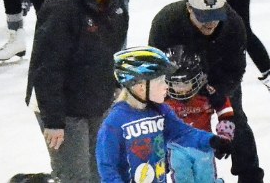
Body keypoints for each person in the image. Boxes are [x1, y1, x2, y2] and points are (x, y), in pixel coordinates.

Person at [26, 0, 137, 183]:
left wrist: (115, 88)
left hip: (95, 98)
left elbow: (112, 51)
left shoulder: (113, 1)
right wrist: (53, 121)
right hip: (62, 107)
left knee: (101, 171)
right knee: (76, 177)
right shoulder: (63, 5)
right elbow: (47, 68)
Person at [150, 0, 268, 182]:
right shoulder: (166, 21)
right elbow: (156, 65)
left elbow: (236, 69)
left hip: (218, 74)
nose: (210, 23)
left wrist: (219, 91)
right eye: (203, 17)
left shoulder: (233, 24)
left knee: (236, 118)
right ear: (189, 8)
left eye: (215, 17)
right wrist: (169, 91)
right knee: (170, 123)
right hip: (178, 79)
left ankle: (250, 175)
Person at [95, 46, 231, 183]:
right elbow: (108, 168)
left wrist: (212, 141)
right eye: (160, 81)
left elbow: (184, 133)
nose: (166, 86)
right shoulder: (114, 123)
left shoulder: (161, 111)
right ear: (141, 87)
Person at [162, 47, 236, 183]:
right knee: (182, 177)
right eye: (176, 83)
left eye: (185, 83)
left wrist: (224, 138)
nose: (181, 88)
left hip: (204, 145)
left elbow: (225, 113)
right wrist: (160, 153)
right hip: (176, 147)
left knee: (205, 178)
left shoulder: (208, 93)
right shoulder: (162, 98)